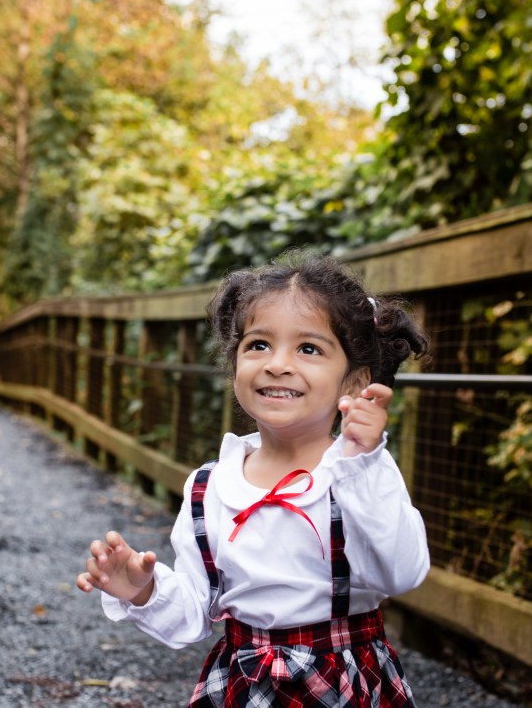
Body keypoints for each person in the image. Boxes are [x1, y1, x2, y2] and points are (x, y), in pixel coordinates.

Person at [77, 251, 431, 707]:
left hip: (346, 682)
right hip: (244, 685)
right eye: (258, 345)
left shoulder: (362, 472)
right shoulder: (210, 486)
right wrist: (143, 592)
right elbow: (193, 615)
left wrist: (362, 464)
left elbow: (402, 573)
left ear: (354, 382)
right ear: (234, 367)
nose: (277, 364)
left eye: (308, 349)